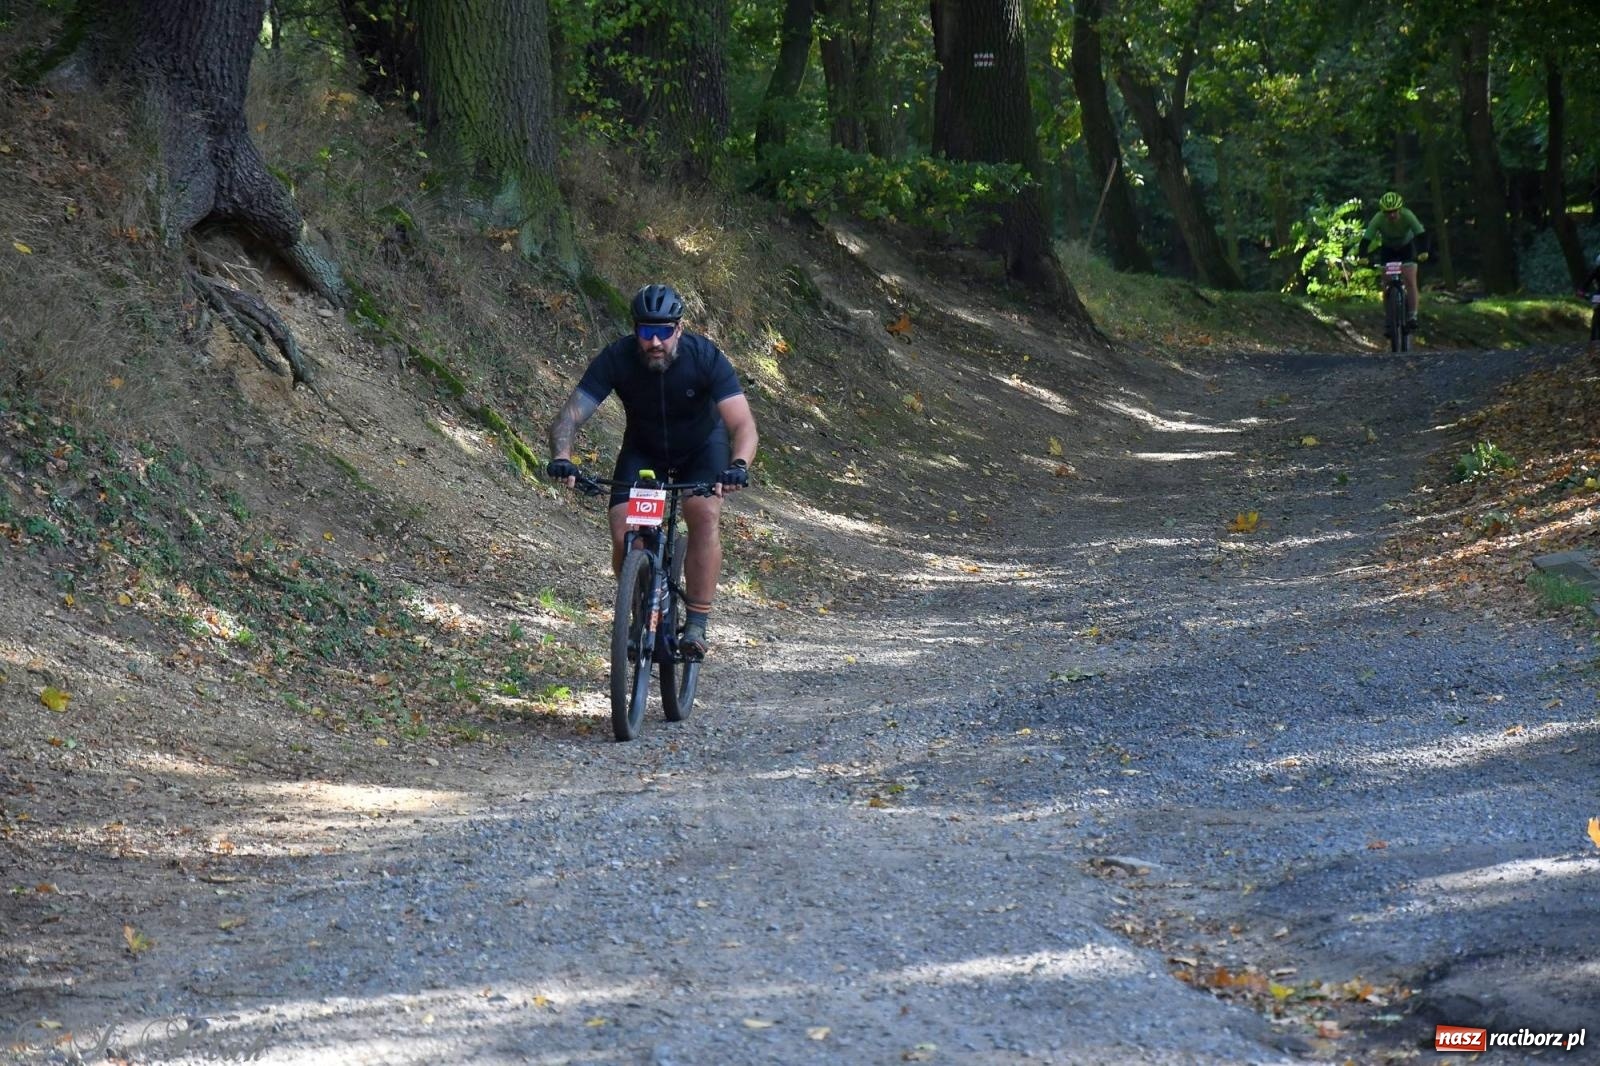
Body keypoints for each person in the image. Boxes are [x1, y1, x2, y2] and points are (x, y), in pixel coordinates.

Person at [545, 284, 758, 659]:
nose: (654, 341)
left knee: (702, 513)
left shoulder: (705, 357)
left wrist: (738, 465)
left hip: (701, 449)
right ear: (635, 331)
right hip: (645, 452)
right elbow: (570, 416)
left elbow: (743, 425)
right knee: (623, 529)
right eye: (646, 332)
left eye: (663, 331)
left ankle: (696, 622)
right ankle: (641, 603)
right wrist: (563, 455)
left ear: (679, 328)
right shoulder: (617, 358)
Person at [1362, 191, 1427, 330]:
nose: (1391, 215)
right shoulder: (1378, 218)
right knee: (1386, 283)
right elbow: (1367, 238)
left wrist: (1423, 251)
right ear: (1383, 212)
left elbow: (1420, 234)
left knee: (1410, 280)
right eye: (1388, 212)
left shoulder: (1408, 215)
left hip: (1407, 247)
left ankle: (1413, 315)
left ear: (1400, 209)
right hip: (1388, 248)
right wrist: (1362, 255)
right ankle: (1389, 318)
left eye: (1394, 211)